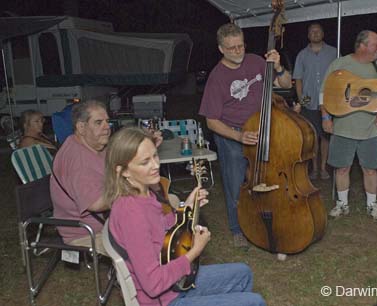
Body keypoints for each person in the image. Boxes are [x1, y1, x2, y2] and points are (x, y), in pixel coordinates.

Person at [104, 127, 266, 306]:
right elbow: (153, 284)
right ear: (123, 171)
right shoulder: (131, 213)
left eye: (155, 156)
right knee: (255, 302)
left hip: (172, 286)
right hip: (163, 299)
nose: (156, 165)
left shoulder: (144, 193)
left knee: (243, 273)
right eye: (145, 162)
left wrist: (185, 208)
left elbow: (159, 227)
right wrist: (195, 252)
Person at [199, 23, 292, 247]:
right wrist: (239, 137)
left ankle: (264, 219)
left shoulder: (256, 62)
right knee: (236, 185)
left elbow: (286, 84)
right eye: (231, 48)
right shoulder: (217, 77)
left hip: (262, 128)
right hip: (233, 134)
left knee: (265, 179)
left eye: (240, 46)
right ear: (221, 49)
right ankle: (237, 229)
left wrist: (278, 68)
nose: (238, 51)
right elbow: (211, 121)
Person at [320, 30, 377, 222]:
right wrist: (325, 117)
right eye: (376, 44)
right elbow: (324, 93)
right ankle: (342, 204)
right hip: (342, 128)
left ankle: (372, 206)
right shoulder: (340, 64)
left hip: (370, 130)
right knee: (342, 168)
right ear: (363, 46)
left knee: (370, 169)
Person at [50, 100, 111, 254]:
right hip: (87, 232)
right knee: (146, 239)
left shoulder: (91, 145)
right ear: (81, 127)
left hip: (107, 221)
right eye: (98, 122)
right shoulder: (79, 160)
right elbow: (95, 204)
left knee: (170, 203)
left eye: (107, 121)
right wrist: (130, 189)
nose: (107, 127)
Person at [292, 22, 337, 180]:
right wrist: (301, 100)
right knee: (312, 136)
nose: (315, 33)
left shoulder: (334, 52)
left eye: (318, 31)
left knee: (326, 136)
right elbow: (298, 79)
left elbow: (340, 76)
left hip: (329, 101)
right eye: (312, 31)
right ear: (308, 35)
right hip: (308, 101)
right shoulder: (302, 55)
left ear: (323, 33)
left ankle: (324, 168)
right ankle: (314, 169)